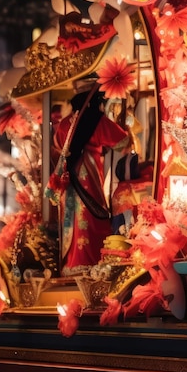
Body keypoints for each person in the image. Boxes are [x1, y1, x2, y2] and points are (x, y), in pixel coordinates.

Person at [49, 84, 129, 275]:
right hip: (89, 173)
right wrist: (122, 123)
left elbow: (58, 145)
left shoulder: (65, 123)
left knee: (73, 217)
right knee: (90, 216)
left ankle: (72, 262)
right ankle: (91, 260)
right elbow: (123, 143)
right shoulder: (96, 120)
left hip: (69, 175)